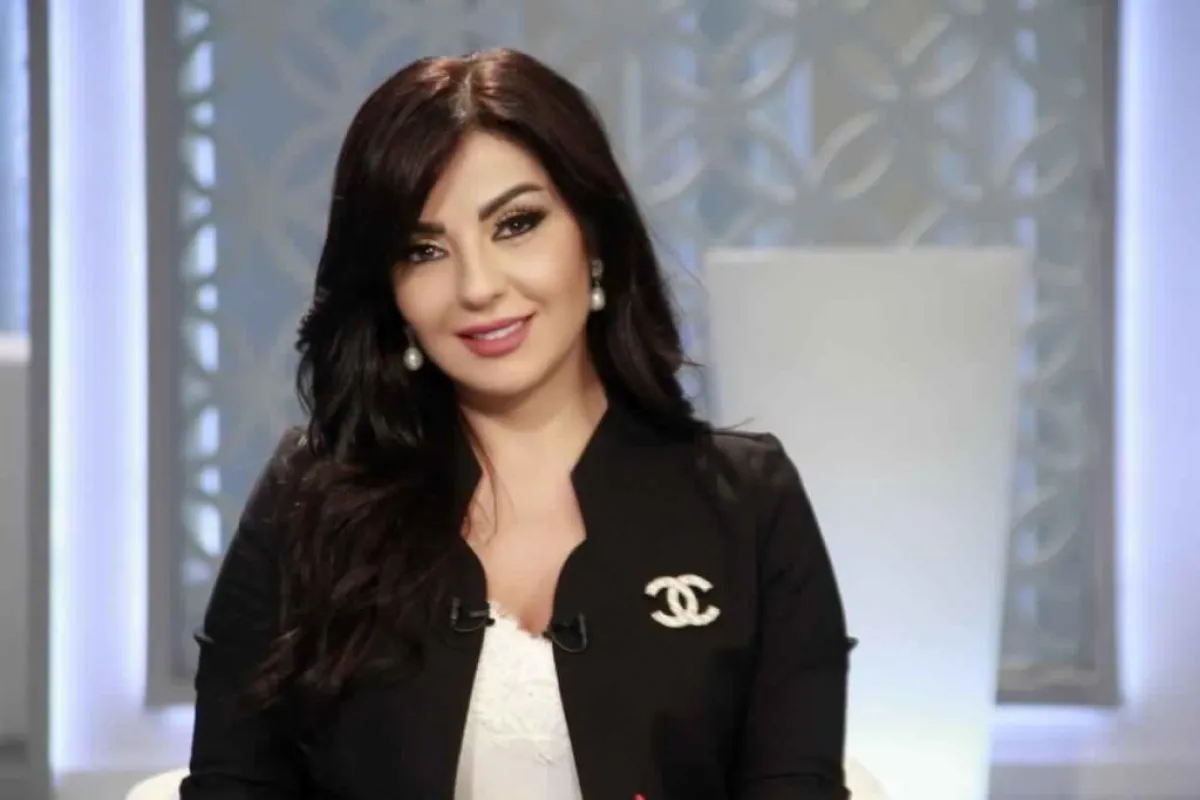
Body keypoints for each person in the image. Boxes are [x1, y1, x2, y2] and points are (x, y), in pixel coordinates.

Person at [181, 47, 853, 800]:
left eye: (516, 224)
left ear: (594, 237)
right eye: (424, 250)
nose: (478, 287)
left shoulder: (749, 507)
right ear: (390, 290)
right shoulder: (306, 504)